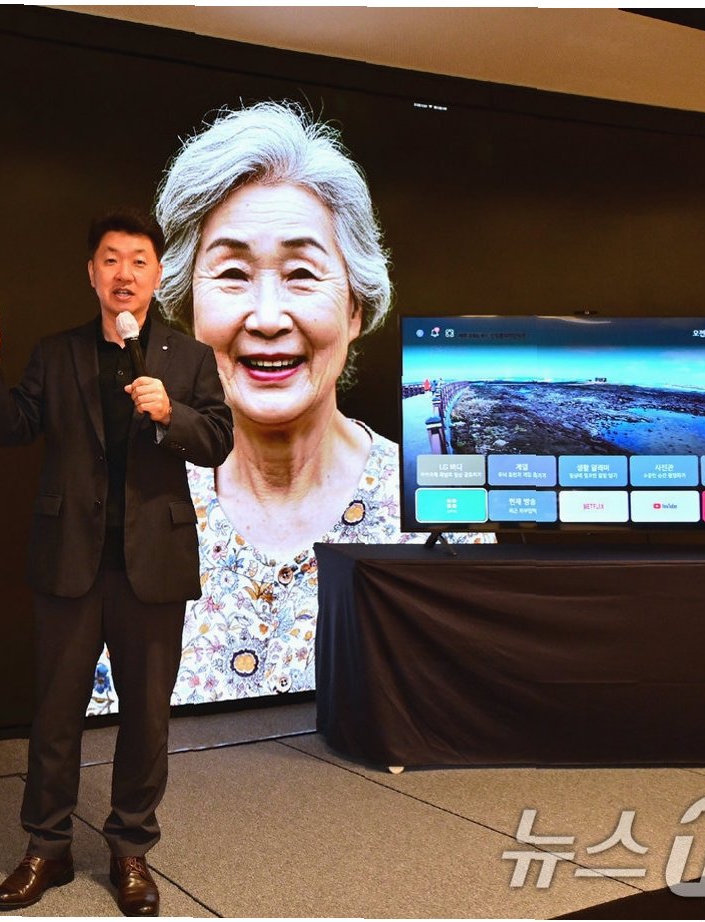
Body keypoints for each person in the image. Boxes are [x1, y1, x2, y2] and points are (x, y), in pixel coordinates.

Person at [89, 101, 490, 713]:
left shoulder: (439, 517)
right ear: (187, 310)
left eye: (302, 272)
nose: (269, 317)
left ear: (355, 308)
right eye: (232, 273)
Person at [0, 209, 233, 917]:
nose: (124, 273)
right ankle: (46, 847)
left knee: (147, 718)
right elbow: (15, 427)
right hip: (70, 560)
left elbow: (218, 439)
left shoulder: (188, 358)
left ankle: (130, 850)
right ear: (91, 273)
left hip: (154, 564)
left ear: (158, 274)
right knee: (56, 713)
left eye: (138, 261)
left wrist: (171, 414)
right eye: (111, 260)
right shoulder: (57, 353)